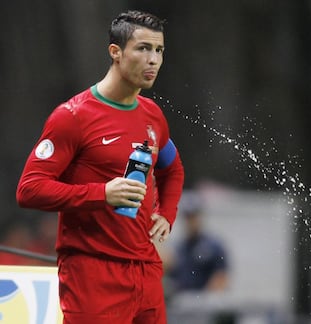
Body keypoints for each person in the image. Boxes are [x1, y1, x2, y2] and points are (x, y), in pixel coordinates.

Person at [16, 10, 184, 324]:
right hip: (92, 271)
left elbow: (172, 169)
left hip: (145, 269)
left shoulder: (153, 116)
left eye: (159, 50)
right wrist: (102, 193)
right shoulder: (73, 116)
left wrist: (167, 212)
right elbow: (29, 189)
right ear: (115, 53)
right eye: (143, 48)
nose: (153, 60)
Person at [166, 193, 229, 293]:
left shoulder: (214, 247)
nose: (191, 221)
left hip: (203, 300)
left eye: (193, 216)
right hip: (181, 299)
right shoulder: (178, 248)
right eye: (188, 217)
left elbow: (221, 278)